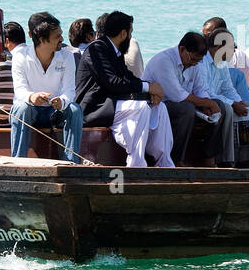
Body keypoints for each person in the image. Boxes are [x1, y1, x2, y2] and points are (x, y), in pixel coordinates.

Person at [77, 11, 174, 167]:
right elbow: (113, 83)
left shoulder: (114, 51)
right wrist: (149, 87)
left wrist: (149, 94)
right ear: (123, 33)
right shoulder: (96, 50)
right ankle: (136, 164)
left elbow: (127, 78)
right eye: (130, 32)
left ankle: (164, 163)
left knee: (159, 107)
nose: (130, 37)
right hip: (94, 108)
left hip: (112, 104)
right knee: (140, 108)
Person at [9, 13, 83, 161]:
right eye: (57, 36)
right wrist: (32, 97)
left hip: (55, 113)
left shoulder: (67, 56)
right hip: (30, 111)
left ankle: (71, 162)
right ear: (42, 39)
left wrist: (62, 101)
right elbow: (20, 90)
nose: (62, 39)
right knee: (21, 108)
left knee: (74, 109)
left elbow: (69, 90)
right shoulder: (20, 56)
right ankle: (17, 162)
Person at [141, 31, 218, 164]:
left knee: (219, 107)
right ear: (182, 49)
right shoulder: (163, 61)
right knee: (186, 109)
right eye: (192, 59)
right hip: (155, 107)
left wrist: (207, 104)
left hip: (177, 104)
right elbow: (178, 96)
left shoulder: (194, 64)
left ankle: (208, 157)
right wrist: (208, 103)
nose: (194, 64)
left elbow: (200, 88)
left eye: (197, 61)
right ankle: (176, 159)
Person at [201, 21, 249, 166]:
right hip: (205, 102)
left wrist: (238, 101)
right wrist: (233, 103)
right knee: (227, 108)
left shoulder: (221, 63)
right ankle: (227, 159)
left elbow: (228, 88)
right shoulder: (202, 61)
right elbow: (205, 91)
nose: (234, 51)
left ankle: (248, 157)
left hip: (218, 100)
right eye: (231, 47)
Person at [96, 10, 145, 77]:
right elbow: (113, 81)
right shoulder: (98, 53)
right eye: (130, 33)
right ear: (122, 34)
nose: (130, 37)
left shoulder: (117, 52)